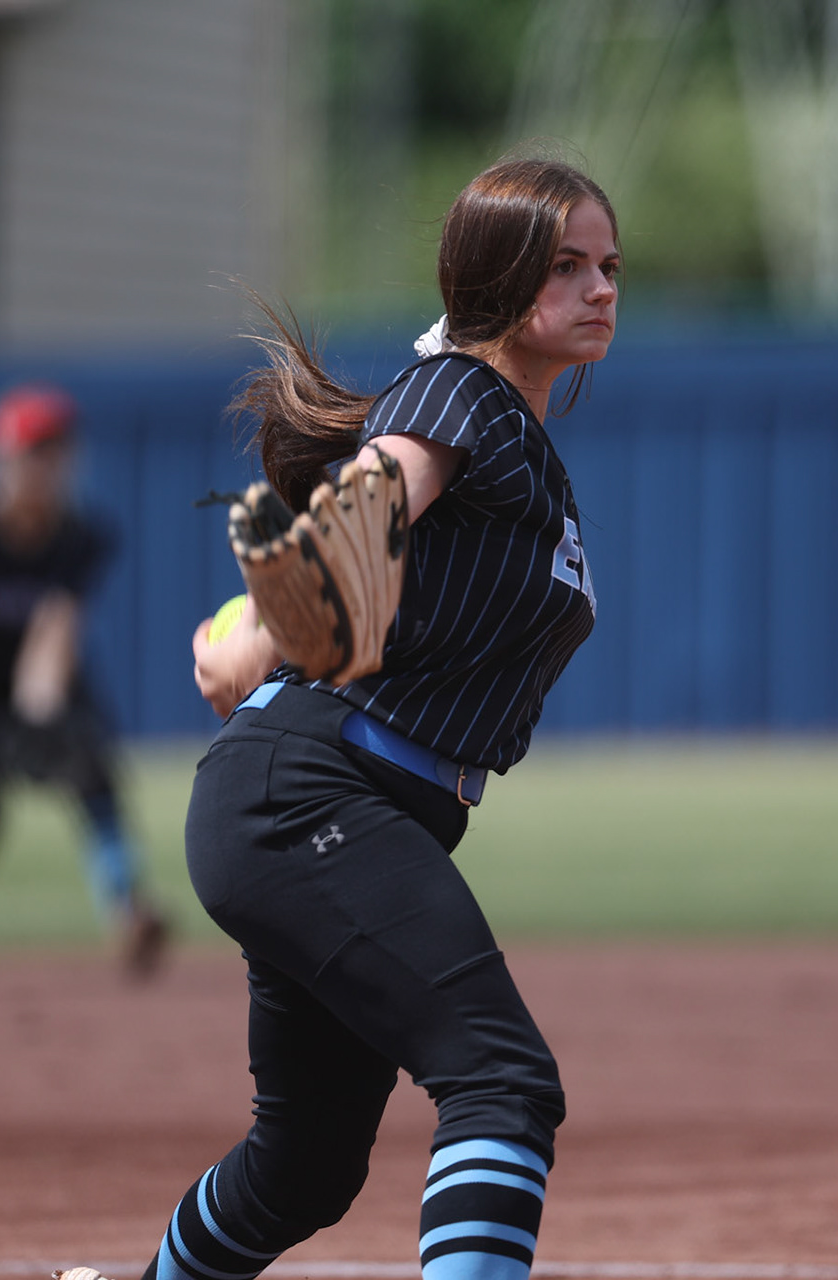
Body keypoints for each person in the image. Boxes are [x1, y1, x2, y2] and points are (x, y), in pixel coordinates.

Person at [60, 157, 618, 1280]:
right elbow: (369, 503)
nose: (599, 287)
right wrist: (264, 636)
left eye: (609, 265)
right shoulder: (459, 393)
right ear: (496, 277)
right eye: (565, 265)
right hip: (316, 786)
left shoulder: (517, 443)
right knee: (501, 1078)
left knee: (308, 1161)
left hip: (342, 801)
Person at [0, 384, 167, 987]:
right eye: (35, 450)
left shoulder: (81, 534)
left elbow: (60, 623)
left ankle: (127, 912)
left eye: (59, 450)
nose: (50, 464)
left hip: (52, 674)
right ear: (3, 458)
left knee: (95, 776)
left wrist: (43, 693)